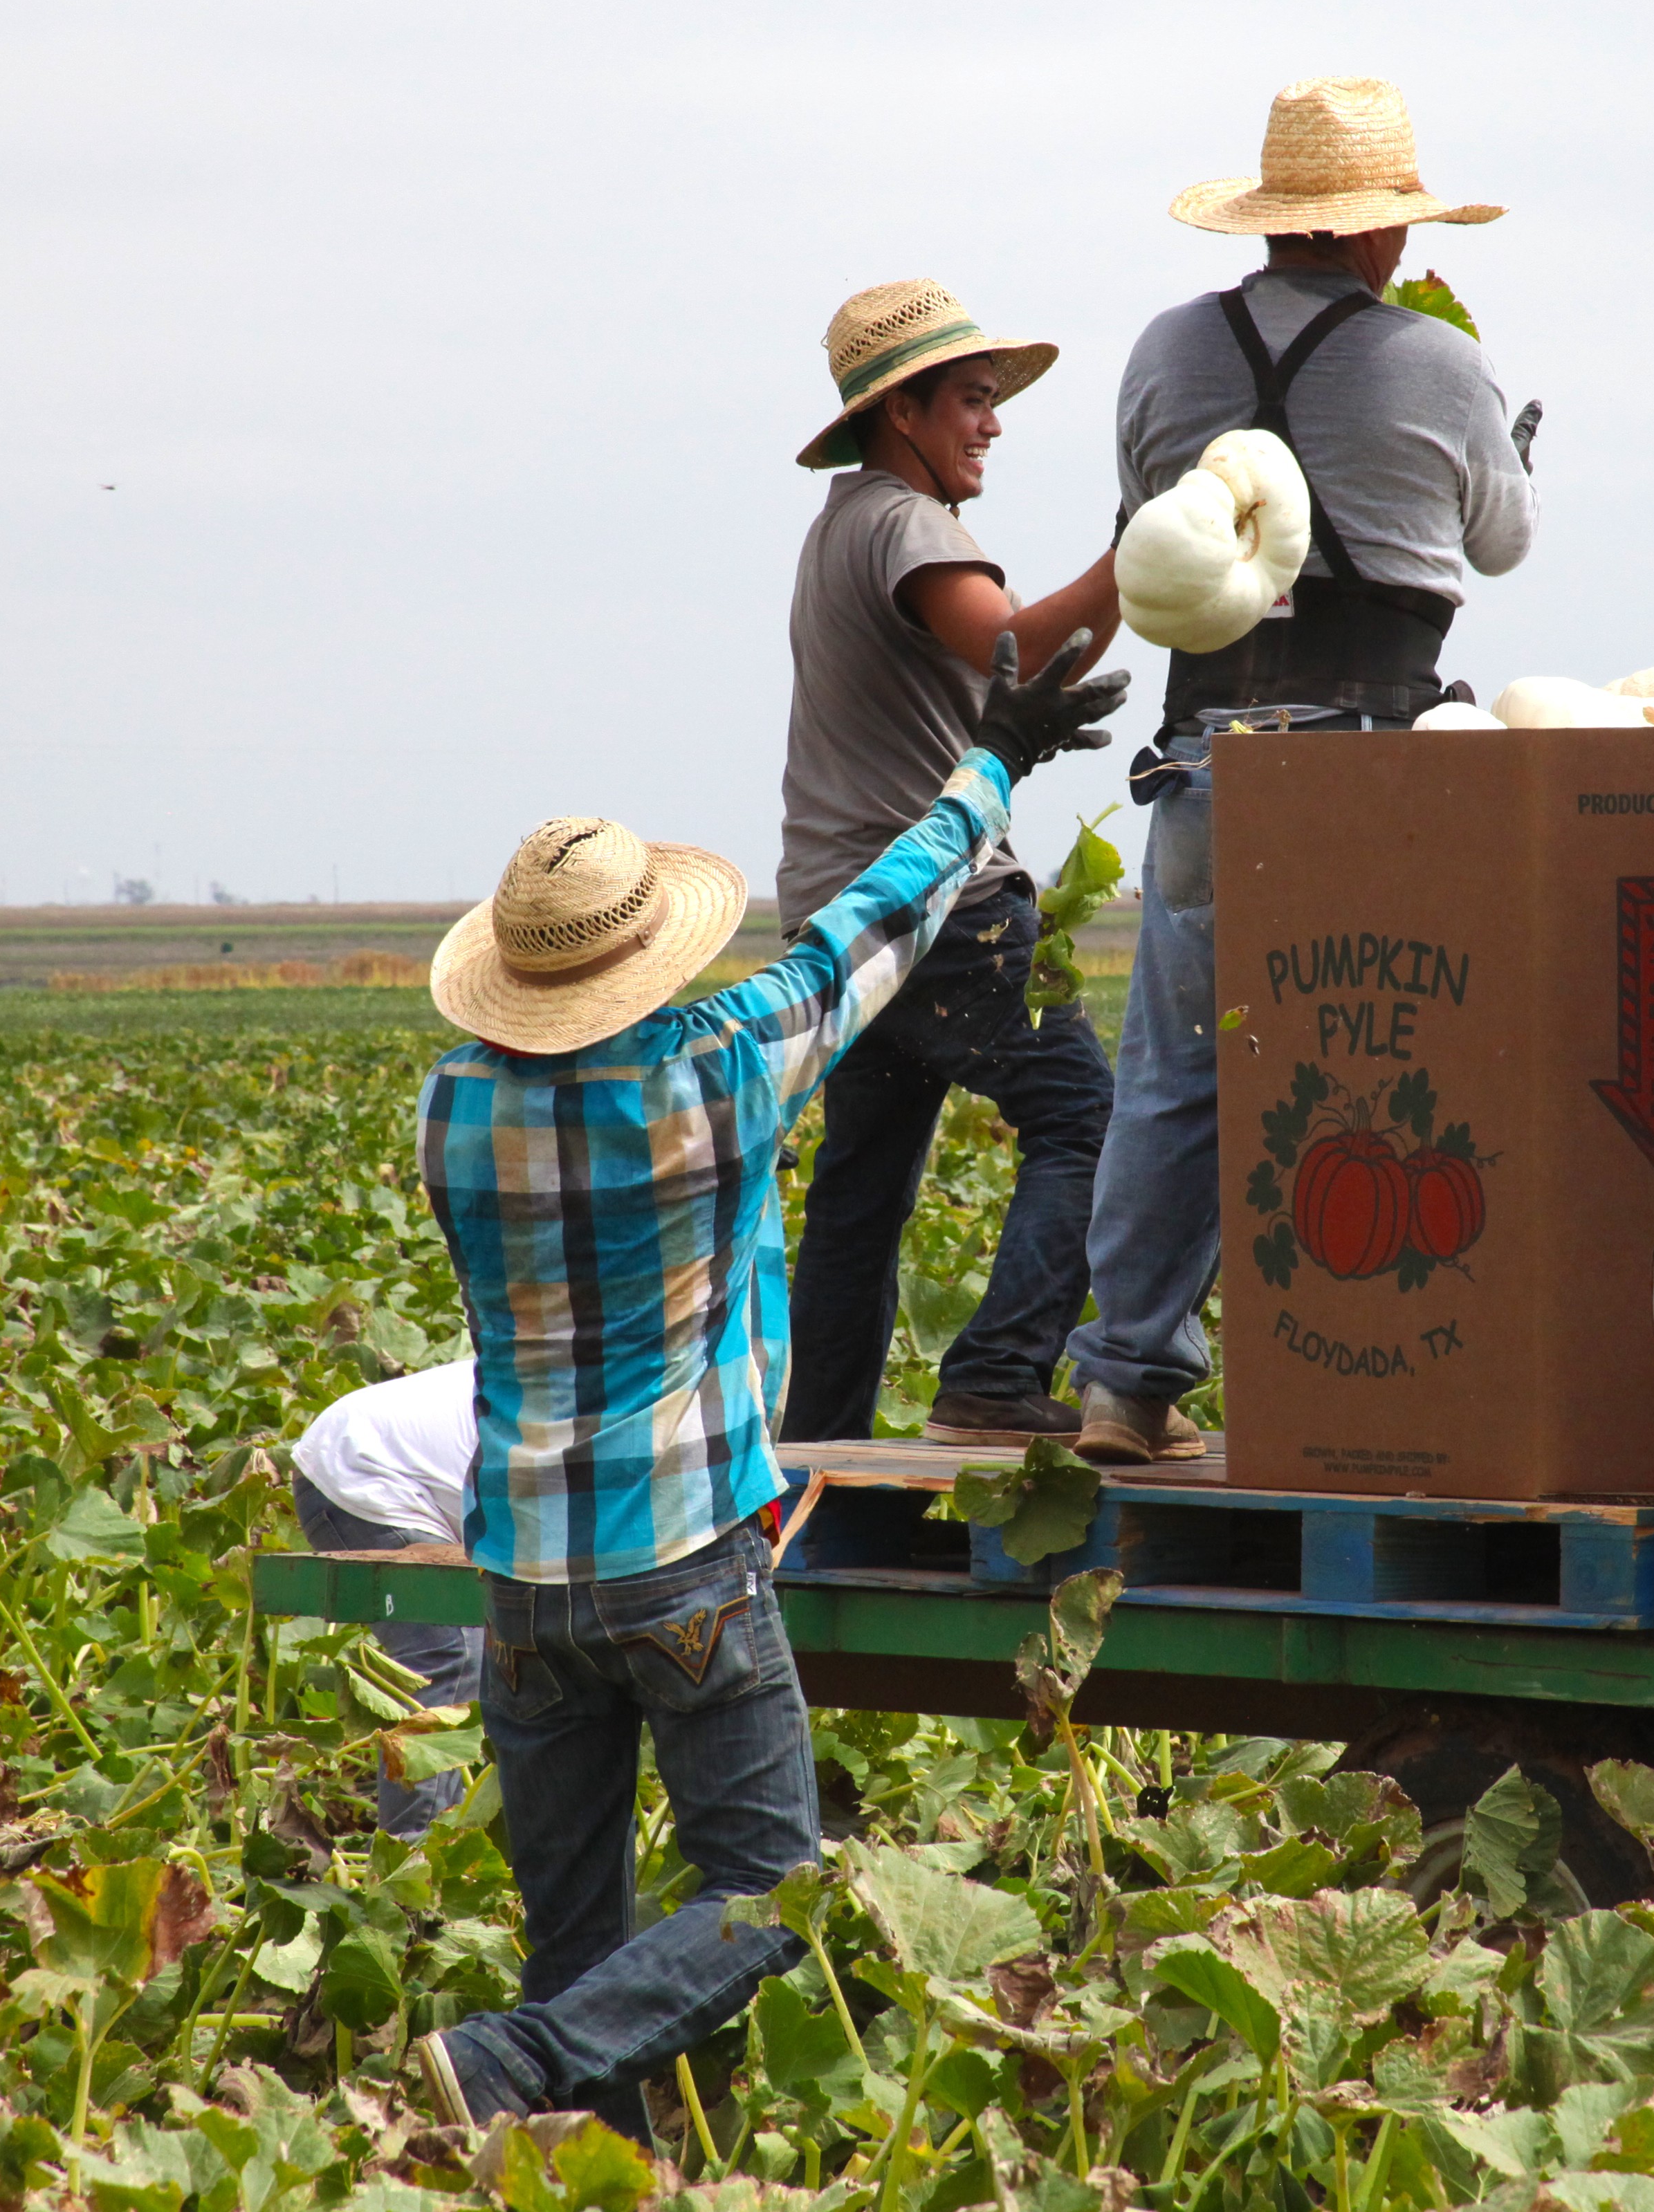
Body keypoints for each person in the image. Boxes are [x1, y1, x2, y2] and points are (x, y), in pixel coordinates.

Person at [405, 632, 1128, 2137]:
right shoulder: (720, 1065)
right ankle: (514, 2072)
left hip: (523, 1581)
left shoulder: (451, 1110)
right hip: (683, 1565)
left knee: (575, 1941)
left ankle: (579, 2155)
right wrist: (995, 761)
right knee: (773, 1887)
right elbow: (873, 929)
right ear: (650, 955)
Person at [1066, 77, 1538, 1465]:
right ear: (1387, 234)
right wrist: (1499, 447)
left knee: (1175, 1070)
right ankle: (1371, 1373)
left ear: (1270, 226)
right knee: (1391, 1064)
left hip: (1212, 753)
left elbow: (1146, 522)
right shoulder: (1440, 363)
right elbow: (1500, 546)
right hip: (1382, 765)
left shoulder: (1163, 350)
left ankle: (1126, 1388)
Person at [777, 279, 1123, 1449]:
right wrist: (1146, 544)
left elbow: (1019, 662)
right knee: (1092, 1121)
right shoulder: (905, 524)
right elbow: (1037, 653)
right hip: (936, 909)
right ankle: (995, 1371)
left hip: (839, 921)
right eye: (971, 400)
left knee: (859, 1202)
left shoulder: (842, 526)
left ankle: (813, 1441)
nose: (992, 422)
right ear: (903, 413)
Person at [286, 1358, 481, 1834]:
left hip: (375, 1460)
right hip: (362, 1472)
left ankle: (466, 1848)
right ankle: (412, 1860)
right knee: (452, 1651)